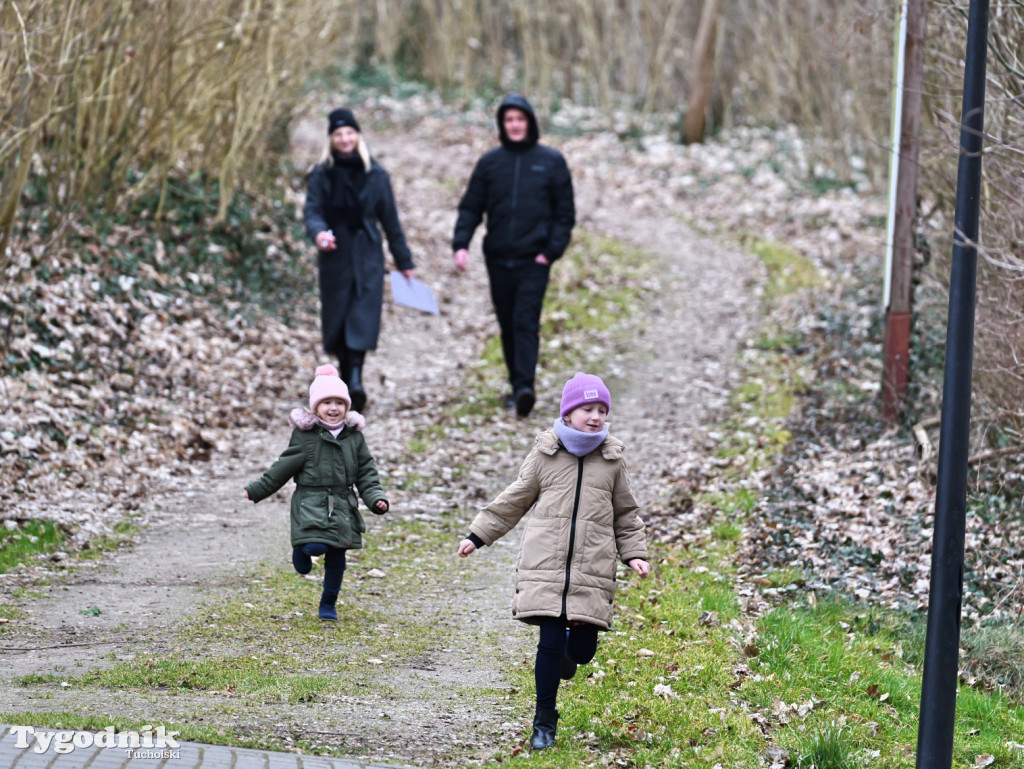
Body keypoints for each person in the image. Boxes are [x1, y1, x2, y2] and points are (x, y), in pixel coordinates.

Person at [456, 372, 650, 750]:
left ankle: (569, 653)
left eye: (601, 410)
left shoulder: (611, 461)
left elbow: (626, 514)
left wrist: (635, 554)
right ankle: (544, 719)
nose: (594, 416)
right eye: (586, 409)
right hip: (544, 564)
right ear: (568, 413)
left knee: (582, 652)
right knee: (548, 640)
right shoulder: (545, 454)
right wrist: (477, 535)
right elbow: (515, 499)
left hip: (591, 569)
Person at [452, 94, 576, 417]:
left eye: (520, 119)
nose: (515, 125)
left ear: (530, 122)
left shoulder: (551, 161)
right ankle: (515, 384)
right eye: (509, 120)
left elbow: (565, 214)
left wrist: (550, 252)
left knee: (525, 320)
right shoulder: (490, 164)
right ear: (502, 125)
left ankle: (525, 387)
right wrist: (461, 244)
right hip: (498, 259)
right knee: (507, 323)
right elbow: (471, 207)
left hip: (534, 260)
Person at [243, 364, 389, 621]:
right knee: (316, 544)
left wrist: (375, 497)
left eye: (339, 403)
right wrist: (256, 490)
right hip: (310, 502)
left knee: (337, 558)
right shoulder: (305, 437)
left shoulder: (354, 437)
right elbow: (282, 468)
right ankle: (301, 548)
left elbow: (367, 471)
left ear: (347, 407)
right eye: (327, 403)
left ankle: (328, 604)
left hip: (343, 503)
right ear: (315, 407)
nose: (334, 408)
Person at [304, 107, 416, 412]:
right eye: (338, 134)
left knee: (362, 316)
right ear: (331, 139)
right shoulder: (321, 174)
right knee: (338, 317)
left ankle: (355, 378)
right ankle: (346, 375)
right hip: (335, 255)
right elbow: (312, 211)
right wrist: (319, 234)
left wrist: (404, 261)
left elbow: (390, 221)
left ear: (358, 136)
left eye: (349, 133)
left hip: (367, 254)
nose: (344, 139)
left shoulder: (376, 175)